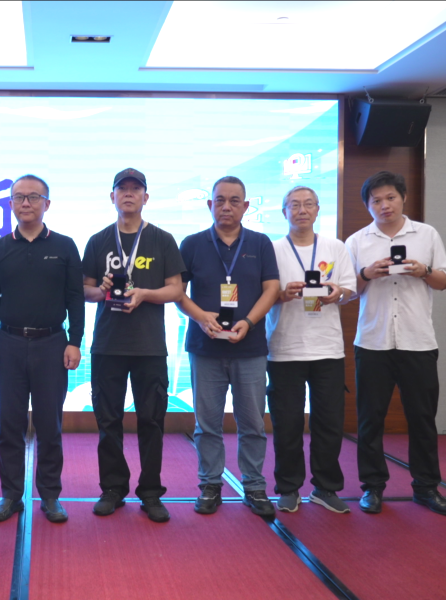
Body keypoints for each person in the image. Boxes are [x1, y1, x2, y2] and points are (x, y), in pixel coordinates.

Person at [345, 171, 446, 516]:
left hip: (417, 341)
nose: (384, 205)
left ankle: (426, 487)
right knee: (370, 420)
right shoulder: (357, 241)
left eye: (390, 197)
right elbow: (345, 293)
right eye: (376, 200)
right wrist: (367, 274)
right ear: (367, 205)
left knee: (422, 418)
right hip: (373, 342)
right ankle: (372, 487)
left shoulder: (426, 234)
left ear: (403, 198)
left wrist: (423, 271)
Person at [0, 174, 84, 524]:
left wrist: (75, 341)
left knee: (49, 425)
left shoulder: (65, 246)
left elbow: (75, 299)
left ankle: (50, 496)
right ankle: (10, 495)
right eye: (19, 197)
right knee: (9, 425)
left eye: (34, 197)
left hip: (52, 344)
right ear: (10, 203)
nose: (26, 203)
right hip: (7, 344)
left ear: (47, 204)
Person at [82, 168, 185, 523]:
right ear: (112, 197)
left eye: (135, 189)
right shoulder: (98, 240)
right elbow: (83, 289)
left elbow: (176, 289)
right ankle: (112, 488)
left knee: (151, 421)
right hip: (108, 345)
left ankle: (151, 491)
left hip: (149, 346)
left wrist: (144, 294)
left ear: (146, 197)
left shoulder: (161, 239)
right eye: (122, 189)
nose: (128, 194)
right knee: (108, 420)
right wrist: (101, 291)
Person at [177, 175, 280, 517]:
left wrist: (248, 321)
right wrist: (200, 317)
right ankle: (210, 485)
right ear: (210, 205)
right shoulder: (192, 244)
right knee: (207, 424)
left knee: (252, 422)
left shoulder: (260, 243)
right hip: (205, 347)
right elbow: (177, 292)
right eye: (219, 200)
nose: (226, 206)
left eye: (234, 201)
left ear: (246, 206)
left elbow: (271, 289)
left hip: (250, 347)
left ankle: (254, 486)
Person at [265, 186, 356, 513]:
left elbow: (350, 289)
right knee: (287, 423)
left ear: (318, 210)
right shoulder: (272, 249)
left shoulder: (335, 246)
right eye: (294, 205)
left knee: (329, 422)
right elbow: (261, 295)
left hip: (327, 349)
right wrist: (282, 294)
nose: (301, 210)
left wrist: (337, 292)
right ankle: (288, 488)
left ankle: (326, 488)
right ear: (284, 211)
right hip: (284, 348)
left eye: (308, 204)